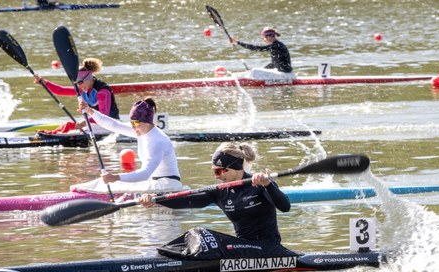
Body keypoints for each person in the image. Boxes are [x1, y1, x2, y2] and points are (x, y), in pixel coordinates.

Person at [139, 142, 291, 248]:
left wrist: (268, 184)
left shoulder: (259, 184)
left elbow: (285, 207)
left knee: (203, 236)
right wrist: (156, 199)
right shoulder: (220, 191)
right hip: (243, 246)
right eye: (214, 171)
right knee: (197, 236)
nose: (216, 176)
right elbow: (188, 200)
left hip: (269, 247)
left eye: (218, 171)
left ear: (233, 167)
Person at [71, 97, 185, 194]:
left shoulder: (158, 140)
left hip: (168, 186)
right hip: (154, 183)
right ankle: (80, 192)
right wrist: (90, 111)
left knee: (113, 184)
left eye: (135, 123)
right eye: (131, 123)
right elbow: (114, 125)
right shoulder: (142, 131)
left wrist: (116, 177)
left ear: (146, 121)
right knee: (103, 183)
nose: (133, 127)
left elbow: (145, 173)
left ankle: (87, 194)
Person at [34, 57, 120, 134]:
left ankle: (54, 135)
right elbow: (61, 90)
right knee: (68, 125)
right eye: (77, 83)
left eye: (80, 82)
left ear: (89, 78)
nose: (79, 86)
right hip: (97, 123)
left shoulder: (102, 92)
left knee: (72, 127)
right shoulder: (83, 88)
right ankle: (51, 134)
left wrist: (82, 123)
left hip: (111, 124)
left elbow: (103, 116)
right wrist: (44, 82)